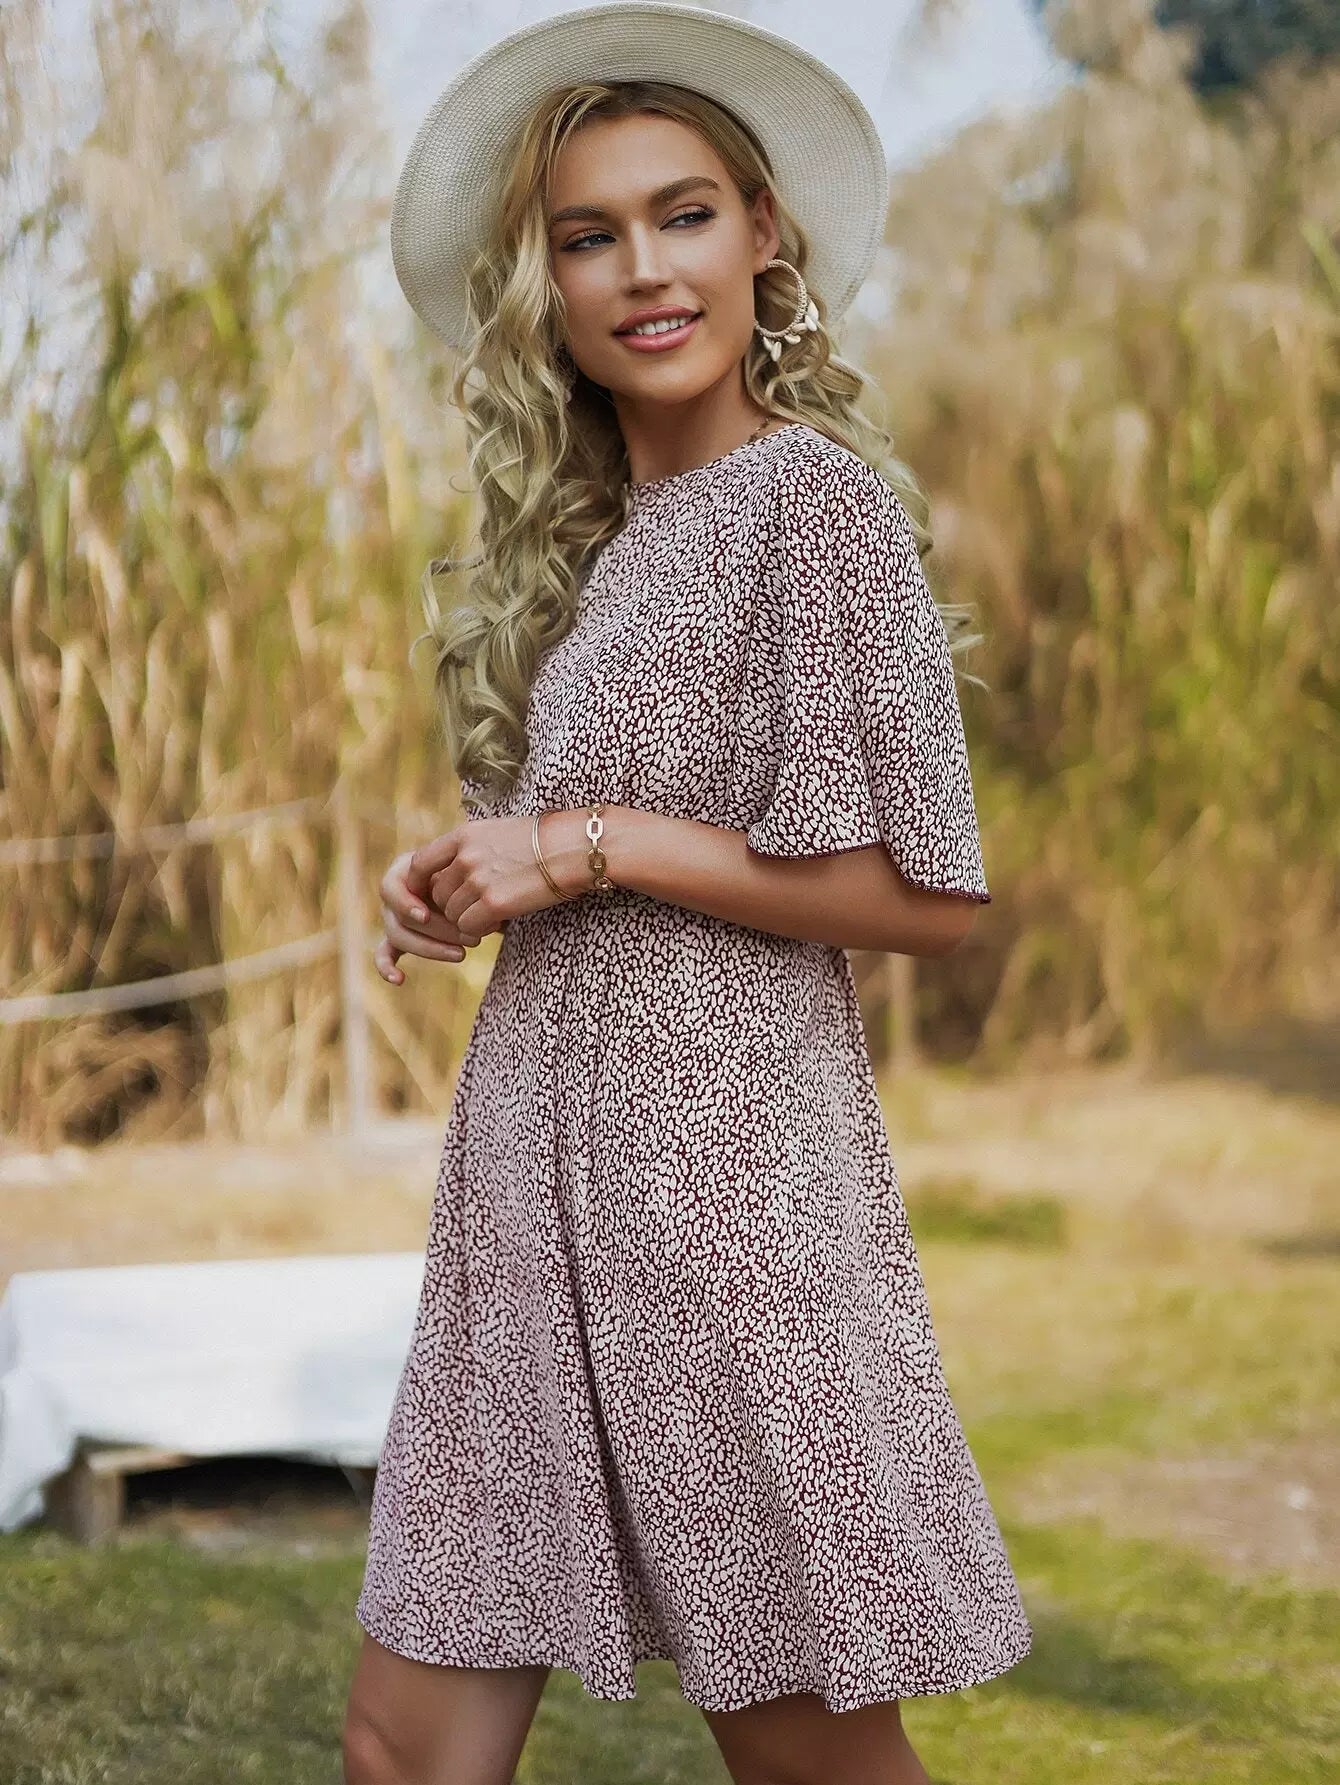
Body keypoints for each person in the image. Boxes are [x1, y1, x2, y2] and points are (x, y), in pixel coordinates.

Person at [342, 6, 1032, 1783]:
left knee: (807, 1758)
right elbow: (584, 846)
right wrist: (471, 876)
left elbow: (928, 896)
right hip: (525, 1195)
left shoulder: (815, 507)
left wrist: (583, 845)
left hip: (721, 1203)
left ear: (764, 233)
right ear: (548, 284)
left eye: (685, 214)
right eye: (591, 235)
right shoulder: (587, 550)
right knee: (399, 1743)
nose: (643, 269)